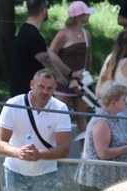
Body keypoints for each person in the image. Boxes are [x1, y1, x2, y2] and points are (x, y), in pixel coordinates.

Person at [75, 81, 127, 191]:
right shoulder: (101, 121)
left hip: (108, 180)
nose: (126, 102)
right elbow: (103, 153)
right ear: (114, 102)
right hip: (97, 181)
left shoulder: (111, 118)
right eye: (124, 99)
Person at [11, 1, 77, 98]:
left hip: (30, 93)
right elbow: (48, 62)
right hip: (27, 95)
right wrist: (67, 84)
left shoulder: (29, 32)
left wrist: (71, 73)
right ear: (43, 10)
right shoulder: (32, 35)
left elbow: (49, 54)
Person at [49, 1, 95, 135]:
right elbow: (51, 55)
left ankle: (84, 154)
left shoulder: (86, 33)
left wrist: (88, 80)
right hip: (64, 82)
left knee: (82, 118)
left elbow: (88, 57)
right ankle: (55, 149)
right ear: (79, 15)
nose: (88, 16)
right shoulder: (63, 34)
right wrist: (67, 73)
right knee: (60, 117)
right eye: (86, 13)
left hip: (82, 82)